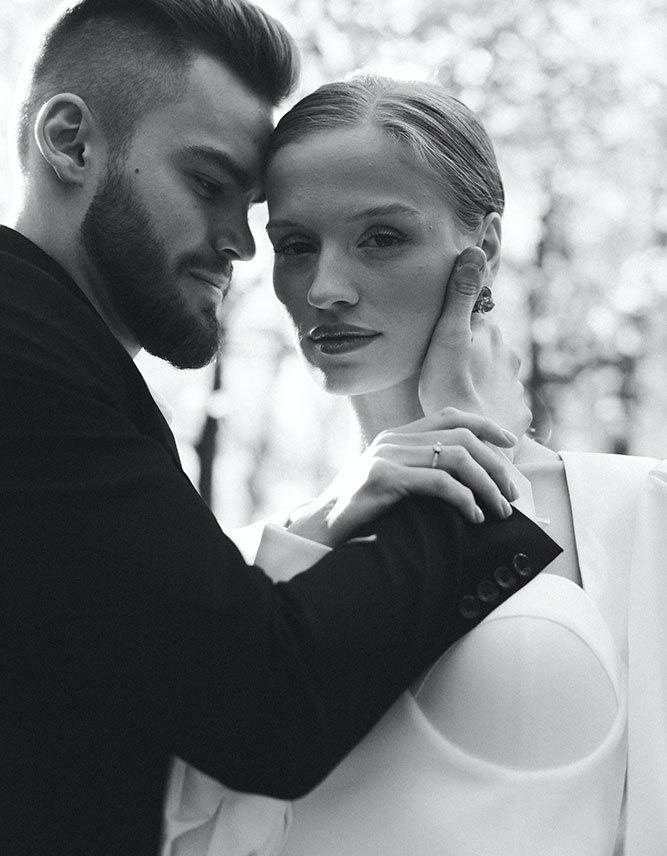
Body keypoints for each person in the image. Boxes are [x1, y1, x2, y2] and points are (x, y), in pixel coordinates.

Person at [0, 0, 560, 856]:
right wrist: (469, 449)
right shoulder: (22, 358)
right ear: (70, 142)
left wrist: (333, 517)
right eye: (207, 182)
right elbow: (261, 705)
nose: (241, 242)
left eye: (381, 236)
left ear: (479, 251)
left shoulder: (66, 367)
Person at [164, 74, 665, 856]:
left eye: (381, 237)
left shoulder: (640, 512)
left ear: (483, 249)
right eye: (296, 246)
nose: (325, 289)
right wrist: (318, 530)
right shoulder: (247, 560)